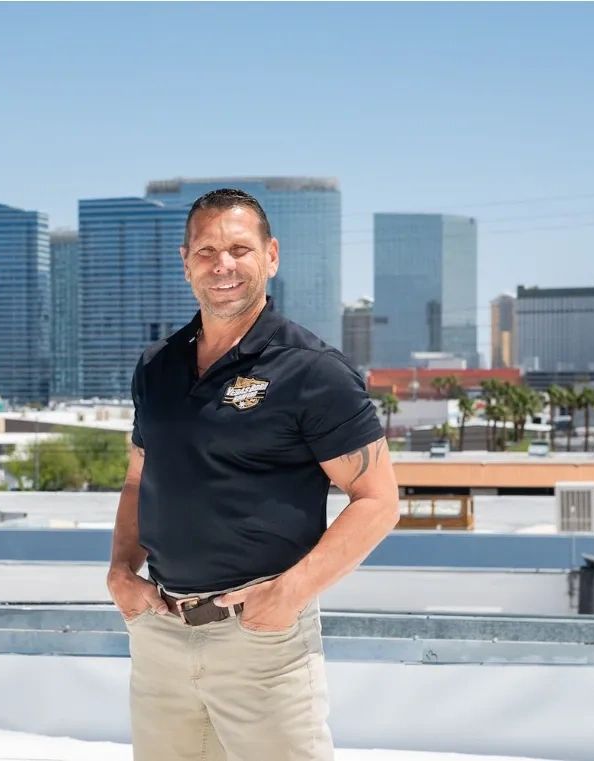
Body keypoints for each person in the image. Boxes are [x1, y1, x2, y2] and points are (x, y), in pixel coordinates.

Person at [106, 188, 401, 761]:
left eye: (239, 249)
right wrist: (121, 572)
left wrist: (287, 596)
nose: (222, 265)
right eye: (206, 250)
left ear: (271, 256)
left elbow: (377, 500)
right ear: (185, 261)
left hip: (261, 641)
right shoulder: (157, 365)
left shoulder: (313, 370)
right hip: (161, 632)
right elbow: (140, 479)